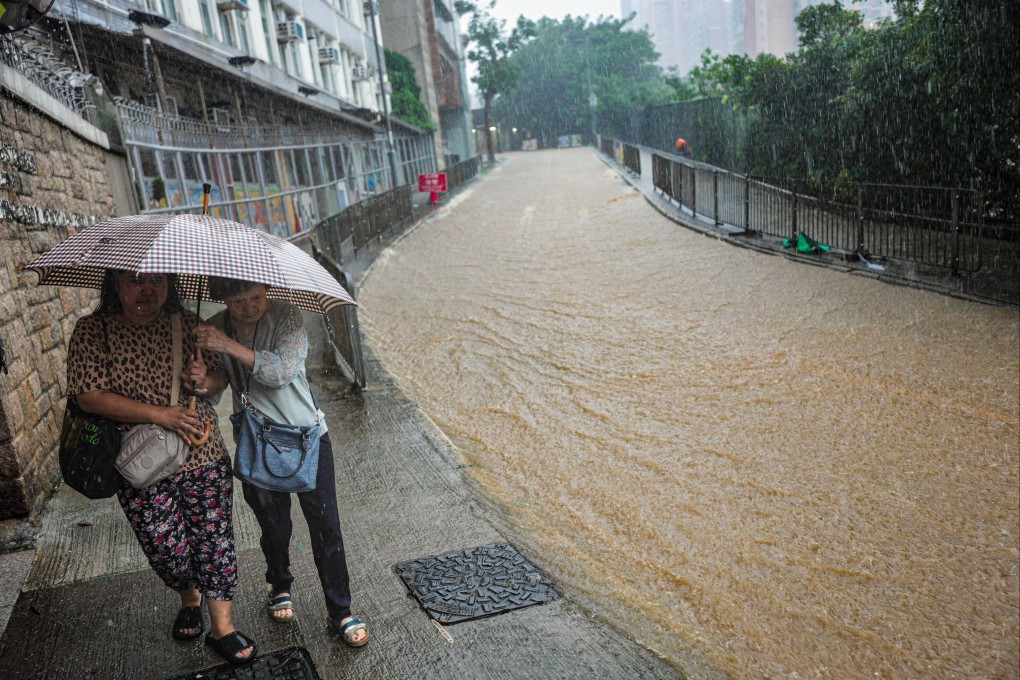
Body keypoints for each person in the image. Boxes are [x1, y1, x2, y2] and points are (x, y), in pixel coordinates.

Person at [66, 270, 256, 665]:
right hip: (138, 464)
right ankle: (190, 594)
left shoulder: (188, 322)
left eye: (156, 280)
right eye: (134, 281)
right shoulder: (92, 331)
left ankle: (222, 628)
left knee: (214, 542)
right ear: (114, 285)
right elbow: (88, 396)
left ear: (170, 285)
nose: (146, 289)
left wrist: (204, 381)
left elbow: (220, 379)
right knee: (166, 548)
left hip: (201, 453)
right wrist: (160, 415)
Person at [194, 278, 369, 648]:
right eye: (238, 301)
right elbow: (217, 386)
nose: (248, 308)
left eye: (255, 298)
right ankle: (279, 582)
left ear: (265, 292)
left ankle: (339, 610)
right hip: (257, 441)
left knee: (326, 527)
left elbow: (280, 372)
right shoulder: (216, 326)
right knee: (273, 525)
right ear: (223, 299)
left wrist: (225, 345)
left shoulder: (287, 316)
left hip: (307, 438)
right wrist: (201, 381)